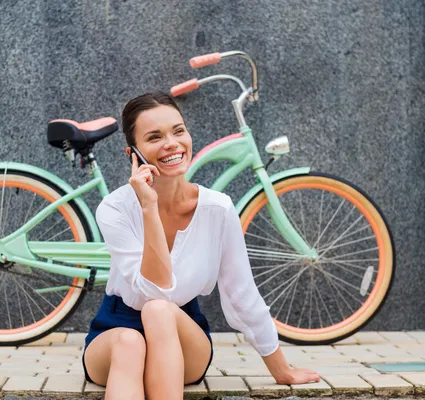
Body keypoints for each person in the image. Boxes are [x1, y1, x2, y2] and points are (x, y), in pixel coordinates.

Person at [82, 91, 320, 399]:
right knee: (132, 341)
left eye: (178, 131)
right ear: (134, 154)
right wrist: (149, 209)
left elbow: (241, 293)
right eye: (154, 137)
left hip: (181, 333)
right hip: (117, 329)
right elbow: (152, 289)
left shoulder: (218, 208)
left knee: (159, 311)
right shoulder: (115, 208)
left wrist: (280, 369)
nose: (171, 143)